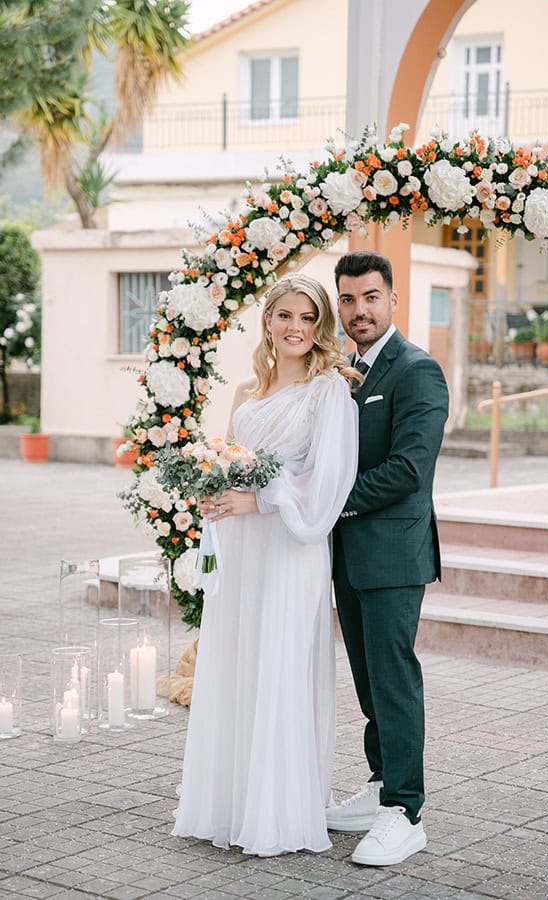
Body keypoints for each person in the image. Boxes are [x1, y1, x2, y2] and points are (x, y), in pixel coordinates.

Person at [172, 273, 359, 856]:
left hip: (289, 545)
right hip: (242, 548)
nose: (296, 329)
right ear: (268, 320)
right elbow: (229, 461)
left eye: (308, 318)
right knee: (238, 660)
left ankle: (276, 811)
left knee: (279, 661)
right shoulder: (243, 395)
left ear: (321, 326)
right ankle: (230, 802)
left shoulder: (329, 392)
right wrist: (212, 490)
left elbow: (330, 480)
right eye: (286, 316)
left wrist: (260, 499)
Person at [327, 250, 449, 866]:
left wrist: (327, 502)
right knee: (368, 681)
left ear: (393, 299)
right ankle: (380, 786)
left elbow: (407, 470)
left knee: (394, 680)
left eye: (370, 296)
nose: (358, 310)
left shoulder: (416, 371)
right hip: (347, 557)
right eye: (347, 299)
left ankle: (405, 811)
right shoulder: (347, 370)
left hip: (394, 555)